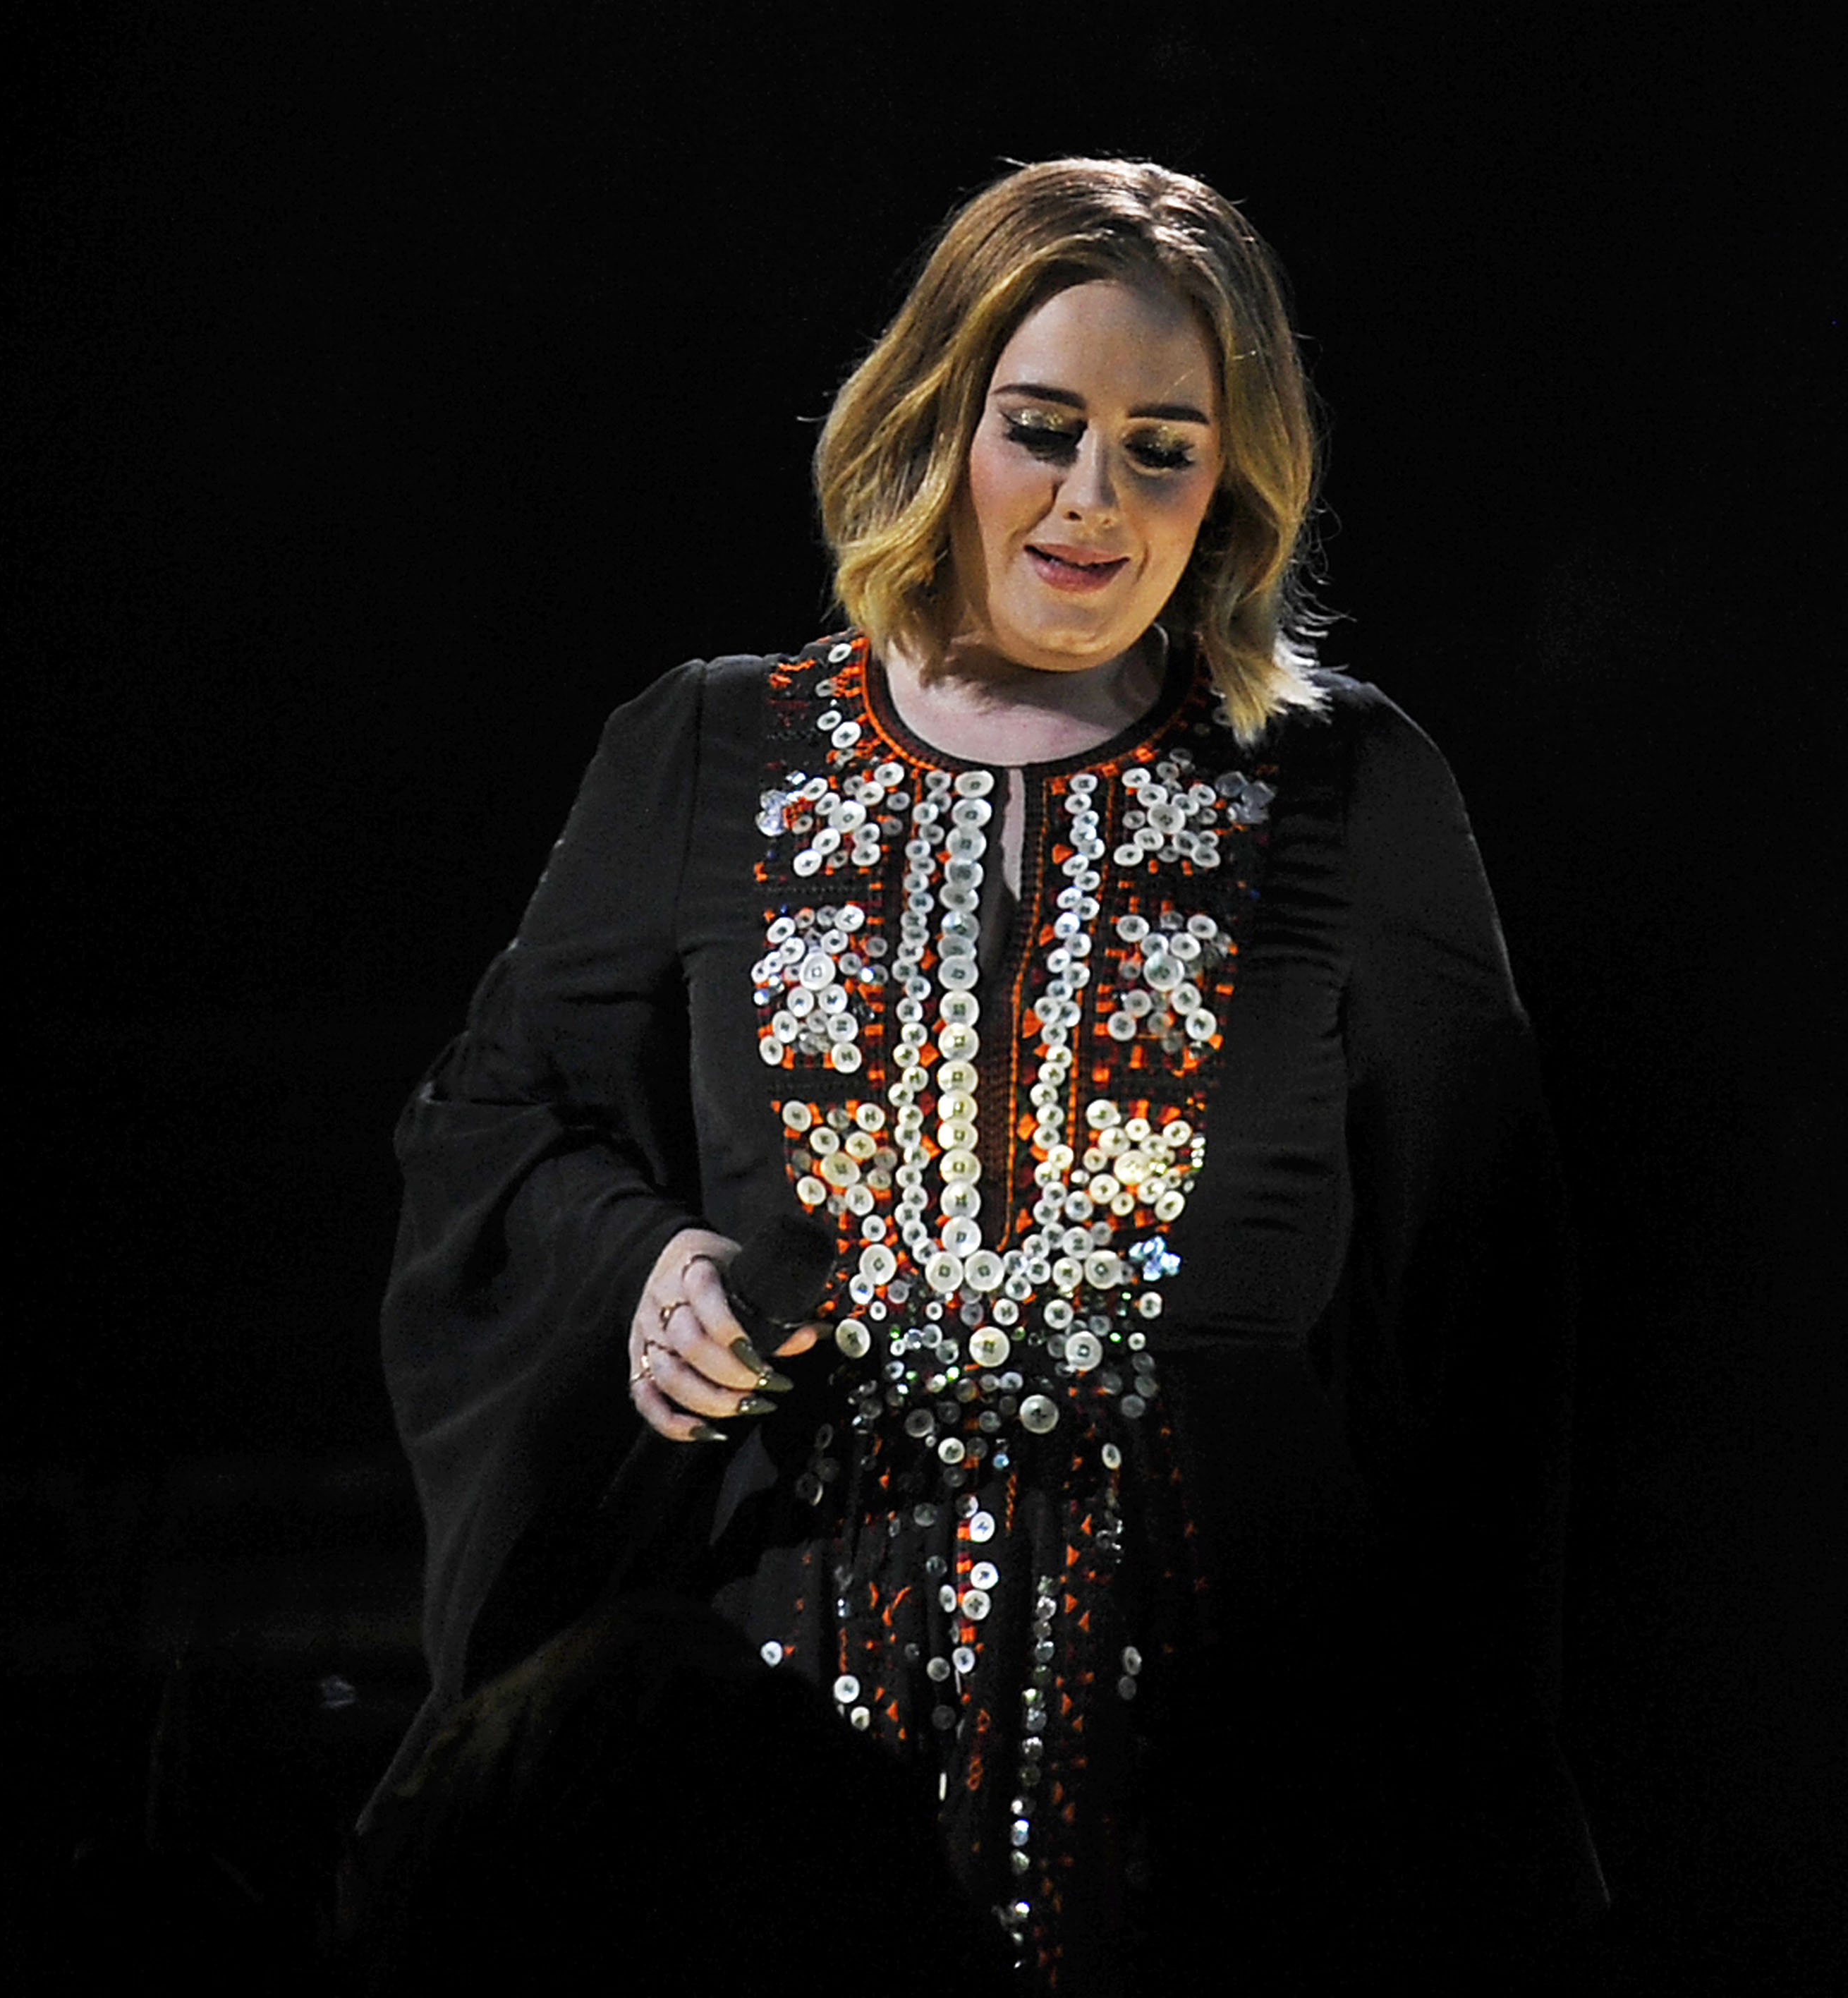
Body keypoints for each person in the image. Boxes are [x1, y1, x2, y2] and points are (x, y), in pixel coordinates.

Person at [355, 158, 1605, 1991]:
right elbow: (494, 1127)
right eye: (1043, 429)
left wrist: (1462, 1786)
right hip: (793, 1736)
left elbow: (1486, 1313)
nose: (1096, 498)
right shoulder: (711, 748)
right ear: (942, 420)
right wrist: (645, 1269)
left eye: (1162, 448)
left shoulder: (1347, 786)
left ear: (1233, 480)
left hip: (1239, 1755)